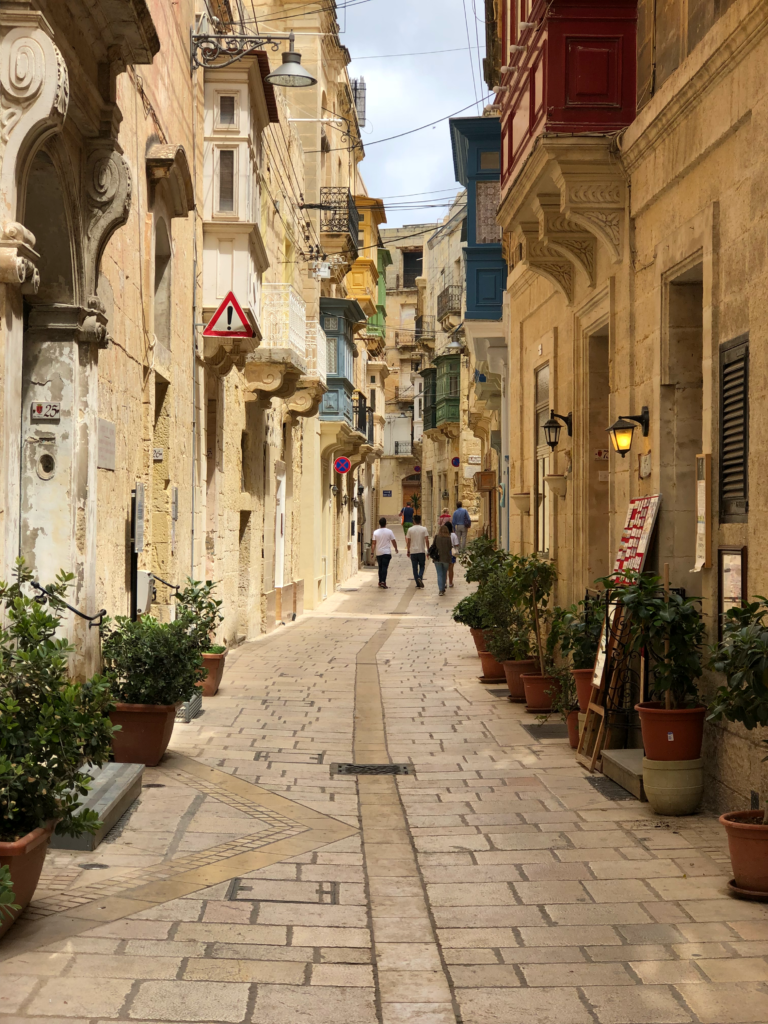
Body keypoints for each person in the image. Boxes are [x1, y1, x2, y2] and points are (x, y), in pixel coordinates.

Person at [371, 517, 398, 589]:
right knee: (384, 567)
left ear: (379, 524)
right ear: (386, 523)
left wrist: (372, 552)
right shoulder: (389, 531)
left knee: (380, 567)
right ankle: (383, 581)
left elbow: (373, 543)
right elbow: (393, 541)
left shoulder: (375, 532)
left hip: (379, 552)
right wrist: (396, 548)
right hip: (386, 552)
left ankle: (380, 581)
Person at [406, 514, 429, 588]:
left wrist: (408, 550)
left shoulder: (410, 529)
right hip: (421, 550)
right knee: (422, 566)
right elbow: (427, 540)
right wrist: (428, 549)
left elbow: (408, 541)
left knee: (414, 567)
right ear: (420, 521)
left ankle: (417, 582)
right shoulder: (424, 529)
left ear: (413, 521)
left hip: (413, 551)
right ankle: (420, 577)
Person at [432, 523, 453, 596]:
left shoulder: (437, 537)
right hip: (446, 558)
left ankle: (441, 590)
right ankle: (443, 587)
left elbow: (433, 545)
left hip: (437, 557)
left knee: (439, 574)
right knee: (444, 573)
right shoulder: (448, 538)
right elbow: (450, 547)